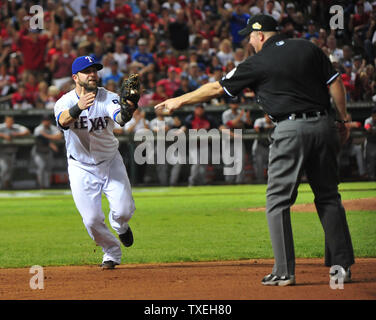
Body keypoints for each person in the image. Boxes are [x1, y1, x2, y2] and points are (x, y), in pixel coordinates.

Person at [154, 14, 355, 286]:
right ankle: (341, 269)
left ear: (261, 35)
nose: (248, 39)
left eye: (250, 34)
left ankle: (284, 271)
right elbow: (335, 82)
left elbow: (216, 87)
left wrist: (179, 100)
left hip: (290, 129)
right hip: (324, 125)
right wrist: (342, 119)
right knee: (329, 196)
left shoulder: (257, 62)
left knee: (277, 201)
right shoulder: (309, 48)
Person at [54, 55, 136, 269]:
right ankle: (111, 252)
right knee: (91, 220)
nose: (93, 74)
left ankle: (120, 226)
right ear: (75, 77)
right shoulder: (65, 101)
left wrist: (129, 107)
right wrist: (78, 107)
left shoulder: (108, 97)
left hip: (110, 162)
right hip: (80, 166)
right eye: (87, 71)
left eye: (95, 70)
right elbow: (62, 121)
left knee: (124, 211)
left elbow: (120, 118)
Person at [221, 96, 252, 184]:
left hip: (238, 140)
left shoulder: (240, 112)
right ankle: (229, 182)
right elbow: (230, 124)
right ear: (230, 104)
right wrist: (240, 118)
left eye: (236, 103)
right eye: (233, 103)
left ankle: (240, 181)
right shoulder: (226, 113)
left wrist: (248, 117)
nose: (235, 105)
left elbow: (248, 124)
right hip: (228, 140)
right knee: (228, 161)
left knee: (240, 161)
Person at [31, 115, 63, 189]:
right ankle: (41, 186)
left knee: (48, 169)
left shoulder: (52, 128)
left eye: (48, 121)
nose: (46, 122)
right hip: (38, 152)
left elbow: (59, 136)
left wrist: (46, 135)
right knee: (41, 168)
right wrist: (51, 143)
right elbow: (40, 139)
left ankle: (47, 186)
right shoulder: (38, 129)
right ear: (42, 122)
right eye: (45, 121)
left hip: (48, 151)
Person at [0, 116, 30, 189]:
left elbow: (27, 131)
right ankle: (2, 186)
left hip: (12, 152)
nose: (10, 122)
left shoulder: (16, 127)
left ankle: (6, 185)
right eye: (8, 121)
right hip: (2, 152)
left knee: (10, 170)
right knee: (4, 169)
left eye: (11, 121)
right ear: (5, 121)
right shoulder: (1, 127)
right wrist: (3, 135)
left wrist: (16, 134)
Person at [252, 113, 275, 183]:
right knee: (259, 165)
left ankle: (272, 181)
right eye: (267, 116)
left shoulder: (274, 121)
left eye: (270, 116)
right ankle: (260, 181)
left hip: (270, 145)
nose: (269, 117)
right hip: (259, 145)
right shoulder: (260, 121)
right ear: (265, 116)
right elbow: (257, 129)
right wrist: (267, 128)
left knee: (271, 164)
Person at [364, 107, 376, 180]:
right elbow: (367, 128)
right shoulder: (368, 120)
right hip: (371, 143)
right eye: (375, 114)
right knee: (371, 161)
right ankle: (371, 178)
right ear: (372, 115)